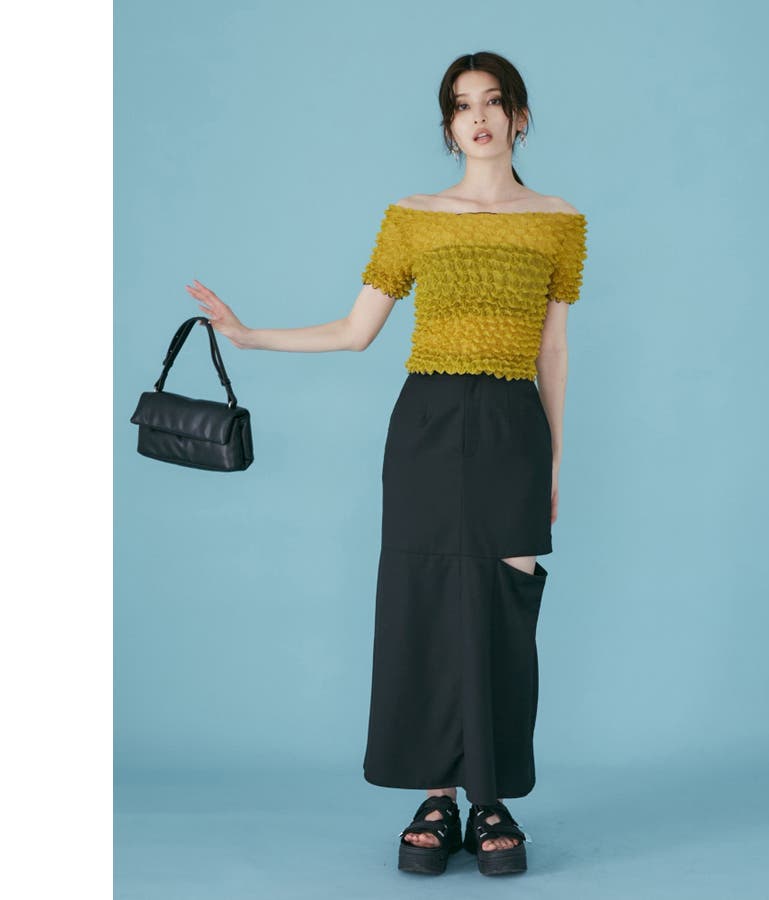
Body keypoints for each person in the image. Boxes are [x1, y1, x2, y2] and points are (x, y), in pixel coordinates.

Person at [186, 50, 587, 878]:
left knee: (506, 606)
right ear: (448, 126)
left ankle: (492, 795)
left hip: (513, 423)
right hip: (427, 422)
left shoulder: (558, 220)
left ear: (519, 117)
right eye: (462, 105)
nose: (478, 117)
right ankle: (438, 797)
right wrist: (250, 337)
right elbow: (355, 329)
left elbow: (552, 348)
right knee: (425, 599)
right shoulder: (412, 216)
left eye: (494, 102)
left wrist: (554, 454)